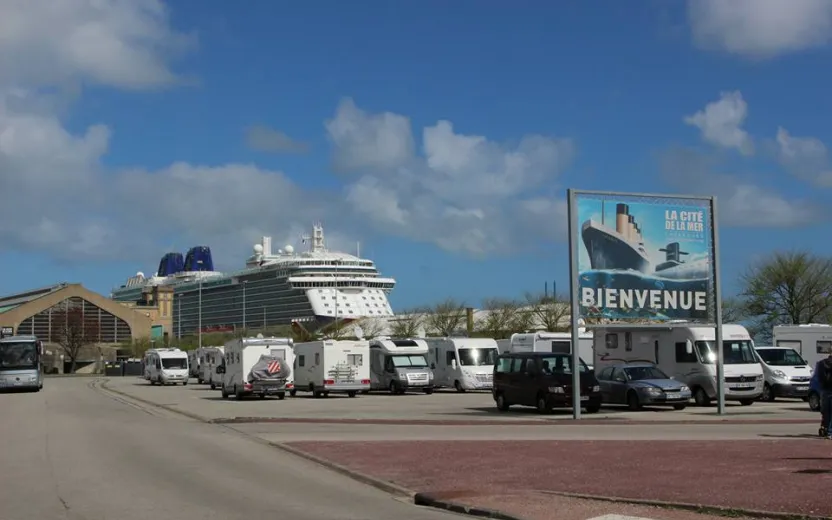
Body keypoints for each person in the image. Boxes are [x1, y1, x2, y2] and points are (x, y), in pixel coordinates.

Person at [816, 352, 832, 438]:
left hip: (825, 389)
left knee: (826, 412)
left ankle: (826, 429)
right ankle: (830, 431)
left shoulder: (821, 363)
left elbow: (819, 377)